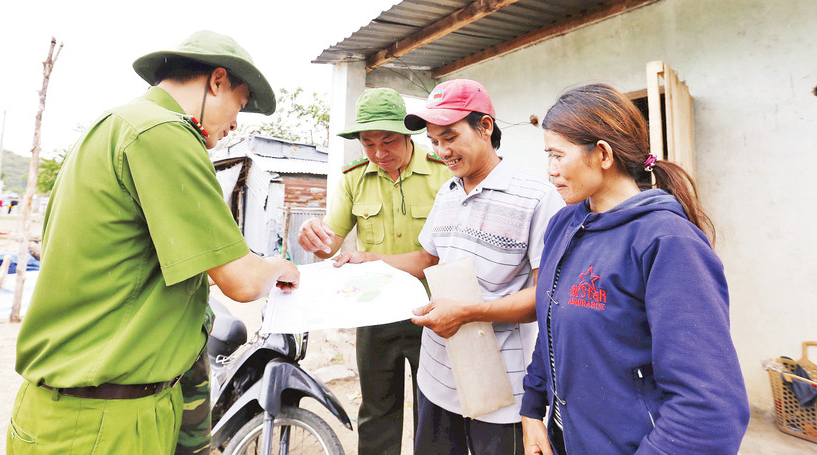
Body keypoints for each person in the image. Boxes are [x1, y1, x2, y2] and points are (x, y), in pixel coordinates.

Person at [8, 30, 299, 455]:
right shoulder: (163, 134)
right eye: (239, 103)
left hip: (69, 413)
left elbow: (134, 269)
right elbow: (241, 281)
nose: (236, 121)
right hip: (105, 425)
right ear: (216, 80)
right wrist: (280, 266)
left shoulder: (111, 127)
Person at [333, 79, 564, 455]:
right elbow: (428, 259)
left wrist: (469, 312)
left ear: (485, 127)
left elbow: (544, 297)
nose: (441, 151)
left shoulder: (537, 198)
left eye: (450, 137)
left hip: (501, 390)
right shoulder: (449, 192)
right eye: (435, 140)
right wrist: (370, 258)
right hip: (437, 378)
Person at [520, 83, 750, 455]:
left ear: (603, 154)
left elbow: (710, 408)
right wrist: (533, 408)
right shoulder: (564, 225)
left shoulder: (667, 242)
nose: (550, 171)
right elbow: (553, 324)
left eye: (557, 155)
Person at [297, 87, 450, 455]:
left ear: (408, 134)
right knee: (377, 410)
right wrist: (313, 237)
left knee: (436, 412)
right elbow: (330, 244)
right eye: (368, 144)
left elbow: (450, 252)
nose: (379, 153)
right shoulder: (353, 179)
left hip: (432, 312)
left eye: (389, 141)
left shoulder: (442, 174)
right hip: (375, 315)